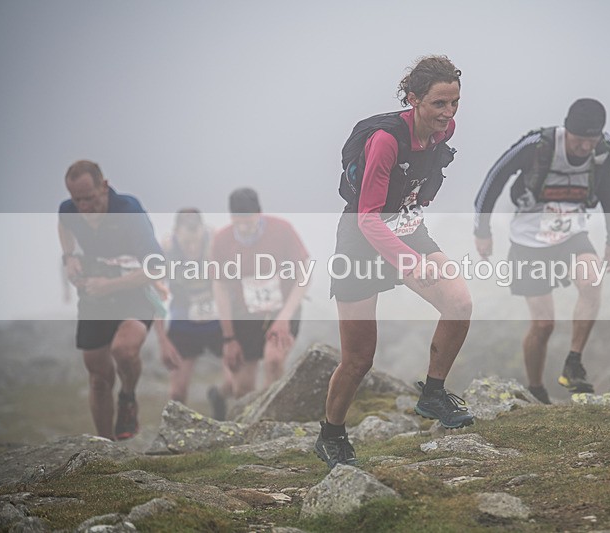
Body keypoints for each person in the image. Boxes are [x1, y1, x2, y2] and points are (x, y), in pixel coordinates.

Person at [316, 55, 474, 469]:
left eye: (454, 102)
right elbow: (367, 216)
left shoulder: (444, 132)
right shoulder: (386, 140)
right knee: (358, 359)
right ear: (413, 99)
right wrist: (408, 263)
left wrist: (414, 251)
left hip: (407, 227)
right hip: (361, 240)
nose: (448, 113)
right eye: (439, 104)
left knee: (459, 303)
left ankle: (433, 395)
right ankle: (331, 434)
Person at [473, 98, 610, 404]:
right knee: (543, 325)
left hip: (572, 233)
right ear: (567, 129)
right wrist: (482, 231)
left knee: (592, 281)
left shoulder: (604, 148)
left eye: (590, 140)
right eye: (579, 139)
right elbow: (494, 178)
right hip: (529, 240)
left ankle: (573, 362)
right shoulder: (538, 144)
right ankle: (536, 389)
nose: (584, 147)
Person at [58, 160, 163, 440]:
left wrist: (111, 285)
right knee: (99, 378)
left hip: (134, 291)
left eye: (89, 198)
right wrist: (69, 258)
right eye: (76, 199)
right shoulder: (69, 211)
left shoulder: (129, 210)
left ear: (104, 186)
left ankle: (128, 397)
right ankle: (107, 448)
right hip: (95, 296)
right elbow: (64, 225)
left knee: (124, 350)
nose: (83, 206)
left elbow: (157, 267)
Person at [211, 188, 309, 409]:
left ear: (259, 213)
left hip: (283, 307)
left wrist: (284, 317)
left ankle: (268, 420)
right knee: (242, 388)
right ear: (231, 217)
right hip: (244, 314)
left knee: (274, 360)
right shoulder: (222, 240)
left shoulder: (282, 230)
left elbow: (305, 274)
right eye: (238, 222)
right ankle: (239, 419)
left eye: (249, 221)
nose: (244, 227)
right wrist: (228, 337)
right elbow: (220, 289)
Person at [153, 209, 231, 420]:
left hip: (217, 319)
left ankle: (219, 399)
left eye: (195, 242)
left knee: (234, 382)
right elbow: (156, 296)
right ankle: (173, 435)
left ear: (203, 232)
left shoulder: (217, 242)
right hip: (183, 320)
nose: (192, 248)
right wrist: (162, 341)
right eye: (187, 243)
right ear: (176, 233)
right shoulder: (166, 250)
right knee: (177, 391)